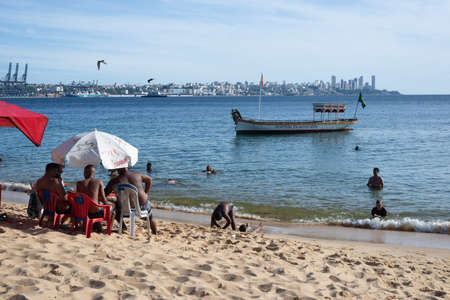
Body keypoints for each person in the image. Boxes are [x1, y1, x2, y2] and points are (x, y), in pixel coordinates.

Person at [105, 167, 157, 234]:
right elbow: (149, 179)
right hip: (141, 207)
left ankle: (122, 226)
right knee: (151, 217)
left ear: (117, 169)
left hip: (124, 209)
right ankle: (155, 232)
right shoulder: (137, 174)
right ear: (127, 167)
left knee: (115, 207)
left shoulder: (113, 181)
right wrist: (146, 193)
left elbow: (105, 193)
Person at [76, 165, 116, 229]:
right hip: (95, 213)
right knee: (113, 208)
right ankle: (109, 229)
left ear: (85, 173)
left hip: (83, 212)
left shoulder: (79, 183)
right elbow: (104, 201)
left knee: (95, 205)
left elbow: (79, 198)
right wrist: (112, 204)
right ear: (93, 173)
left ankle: (96, 224)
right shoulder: (98, 182)